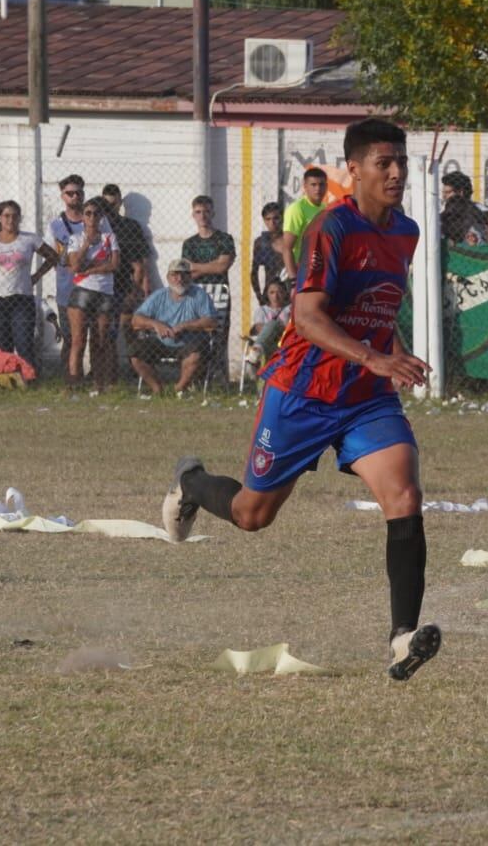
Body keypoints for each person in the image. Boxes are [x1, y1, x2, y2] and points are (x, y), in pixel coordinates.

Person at [159, 118, 440, 682]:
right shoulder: (331, 229)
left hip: (366, 396)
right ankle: (190, 483)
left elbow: (379, 307)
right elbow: (307, 318)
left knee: (404, 493)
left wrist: (390, 356)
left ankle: (402, 636)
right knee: (252, 515)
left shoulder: (406, 230)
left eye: (401, 161)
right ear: (353, 171)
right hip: (302, 392)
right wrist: (375, 356)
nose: (396, 172)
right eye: (383, 163)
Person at [0, 200, 58, 373]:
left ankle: (29, 378)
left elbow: (53, 256)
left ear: (19, 218)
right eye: (6, 215)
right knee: (1, 344)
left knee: (24, 343)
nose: (10, 220)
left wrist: (36, 276)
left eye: (15, 216)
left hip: (21, 299)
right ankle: (6, 380)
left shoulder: (29, 239)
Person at [129, 258, 217, 396]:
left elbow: (211, 322)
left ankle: (179, 389)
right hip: (160, 341)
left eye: (184, 274)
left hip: (188, 341)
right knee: (135, 353)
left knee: (196, 354)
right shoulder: (158, 296)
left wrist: (185, 326)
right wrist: (156, 324)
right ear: (168, 277)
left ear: (190, 276)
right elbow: (136, 320)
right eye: (175, 275)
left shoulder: (199, 295)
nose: (179, 279)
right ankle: (157, 390)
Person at [49, 175, 110, 370]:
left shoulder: (100, 220)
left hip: (95, 287)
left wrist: (79, 262)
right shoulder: (55, 225)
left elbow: (108, 252)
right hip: (67, 288)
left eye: (79, 192)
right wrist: (73, 262)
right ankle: (71, 379)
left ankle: (96, 377)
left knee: (97, 337)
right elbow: (56, 257)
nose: (75, 196)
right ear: (62, 196)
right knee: (71, 338)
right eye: (70, 193)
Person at [64, 197, 120, 391]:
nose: (92, 217)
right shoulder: (75, 238)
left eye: (96, 213)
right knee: (78, 340)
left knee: (100, 340)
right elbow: (75, 265)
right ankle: (74, 383)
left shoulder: (109, 237)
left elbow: (114, 265)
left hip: (104, 292)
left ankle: (98, 383)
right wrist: (87, 245)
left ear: (101, 217)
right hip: (82, 292)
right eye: (88, 213)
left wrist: (91, 270)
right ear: (83, 218)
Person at [181, 195, 236, 377]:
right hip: (197, 294)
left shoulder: (225, 239)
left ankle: (219, 378)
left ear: (213, 213)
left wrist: (197, 267)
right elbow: (187, 272)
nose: (202, 216)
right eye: (198, 212)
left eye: (206, 211)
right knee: (196, 332)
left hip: (220, 292)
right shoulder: (189, 244)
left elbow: (222, 267)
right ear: (192, 215)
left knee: (219, 335)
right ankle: (197, 376)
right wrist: (212, 265)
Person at [100, 183, 152, 361]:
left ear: (120, 203)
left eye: (114, 204)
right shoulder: (96, 227)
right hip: (101, 285)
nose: (111, 208)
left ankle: (135, 365)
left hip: (125, 283)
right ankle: (103, 368)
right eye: (107, 205)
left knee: (128, 327)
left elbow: (142, 259)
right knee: (103, 330)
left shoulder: (130, 226)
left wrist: (144, 285)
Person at [281, 167, 328, 285]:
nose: (318, 189)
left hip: (318, 271)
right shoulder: (297, 209)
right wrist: (293, 280)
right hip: (300, 272)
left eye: (321, 184)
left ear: (326, 186)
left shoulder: (325, 208)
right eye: (313, 185)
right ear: (305, 186)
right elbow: (286, 248)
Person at [250, 202, 285, 303]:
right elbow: (254, 272)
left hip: (289, 292)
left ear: (282, 218)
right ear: (264, 221)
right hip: (270, 294)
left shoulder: (290, 239)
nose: (272, 222)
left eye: (276, 218)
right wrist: (259, 295)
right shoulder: (261, 242)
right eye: (268, 219)